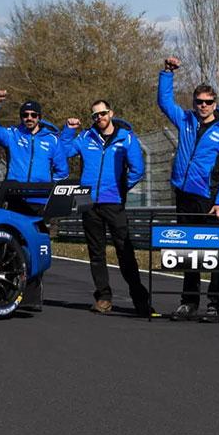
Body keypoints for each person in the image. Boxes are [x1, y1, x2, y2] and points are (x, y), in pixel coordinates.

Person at [158, 56, 219, 322]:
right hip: (184, 195)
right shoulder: (186, 120)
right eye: (198, 102)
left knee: (215, 254)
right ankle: (188, 302)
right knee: (187, 250)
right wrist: (167, 73)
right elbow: (164, 101)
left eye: (208, 102)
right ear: (193, 102)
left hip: (210, 200)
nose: (203, 106)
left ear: (215, 104)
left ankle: (216, 306)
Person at [61, 101, 152, 316]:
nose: (99, 118)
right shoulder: (85, 137)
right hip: (87, 201)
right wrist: (68, 130)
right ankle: (103, 297)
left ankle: (140, 299)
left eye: (102, 113)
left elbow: (137, 169)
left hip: (113, 201)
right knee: (96, 253)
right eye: (95, 115)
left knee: (125, 251)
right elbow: (63, 151)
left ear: (111, 113)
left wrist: (120, 188)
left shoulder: (126, 138)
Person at [0, 90, 69, 214]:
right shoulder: (12, 135)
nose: (29, 118)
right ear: (21, 117)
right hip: (15, 197)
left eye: (33, 115)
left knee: (39, 233)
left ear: (39, 117)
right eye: (25, 115)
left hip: (40, 200)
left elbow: (62, 171)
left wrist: (48, 187)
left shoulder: (52, 140)